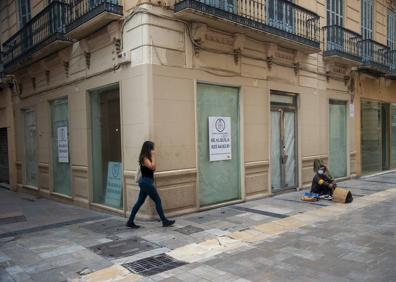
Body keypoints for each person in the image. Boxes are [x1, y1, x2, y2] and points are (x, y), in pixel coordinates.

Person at [126, 141, 175, 228]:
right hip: (146, 183)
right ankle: (164, 221)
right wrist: (153, 156)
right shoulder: (145, 158)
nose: (154, 150)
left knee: (139, 202)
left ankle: (130, 221)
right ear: (149, 149)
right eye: (152, 148)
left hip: (145, 183)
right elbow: (152, 167)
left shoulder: (145, 157)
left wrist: (152, 156)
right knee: (157, 200)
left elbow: (152, 168)